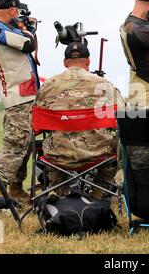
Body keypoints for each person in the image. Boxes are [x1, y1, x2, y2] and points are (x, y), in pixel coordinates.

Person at [34, 42, 125, 199]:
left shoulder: (48, 85)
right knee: (119, 145)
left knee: (47, 142)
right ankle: (99, 193)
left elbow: (36, 121)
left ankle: (62, 194)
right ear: (88, 61)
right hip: (97, 152)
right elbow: (123, 115)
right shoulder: (104, 84)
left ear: (64, 62)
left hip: (57, 153)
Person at [0, 0, 40, 200]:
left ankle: (15, 189)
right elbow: (27, 44)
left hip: (22, 93)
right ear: (13, 10)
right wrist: (29, 29)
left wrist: (19, 27)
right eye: (18, 13)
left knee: (26, 144)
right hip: (18, 95)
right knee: (14, 145)